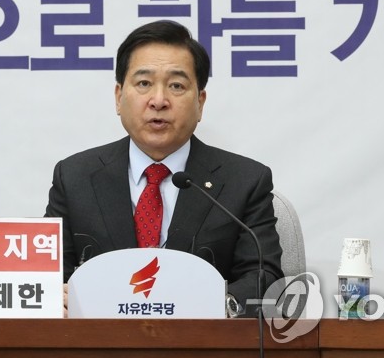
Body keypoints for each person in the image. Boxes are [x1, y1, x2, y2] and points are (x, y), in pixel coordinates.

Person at [45, 20, 283, 317]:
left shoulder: (244, 181)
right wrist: (57, 298)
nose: (158, 101)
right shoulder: (74, 177)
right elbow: (50, 275)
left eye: (176, 86)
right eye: (144, 83)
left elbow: (263, 277)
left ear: (200, 102)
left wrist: (213, 308)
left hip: (202, 339)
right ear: (119, 97)